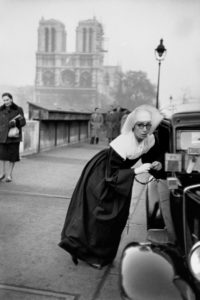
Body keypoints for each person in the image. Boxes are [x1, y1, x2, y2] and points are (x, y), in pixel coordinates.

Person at [58, 105, 164, 269]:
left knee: (117, 217)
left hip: (122, 177)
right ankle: (88, 253)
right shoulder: (123, 142)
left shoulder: (150, 139)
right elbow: (111, 175)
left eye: (148, 125)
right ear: (133, 126)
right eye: (140, 125)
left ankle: (104, 255)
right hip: (103, 174)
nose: (144, 129)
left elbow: (150, 155)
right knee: (99, 215)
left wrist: (156, 162)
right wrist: (135, 171)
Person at [0, 92, 26, 182]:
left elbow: (23, 122)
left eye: (7, 100)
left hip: (13, 137)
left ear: (11, 99)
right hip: (2, 136)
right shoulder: (0, 109)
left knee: (12, 156)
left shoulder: (18, 109)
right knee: (1, 156)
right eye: (4, 100)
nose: (5, 102)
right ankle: (2, 173)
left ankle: (9, 175)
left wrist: (16, 123)